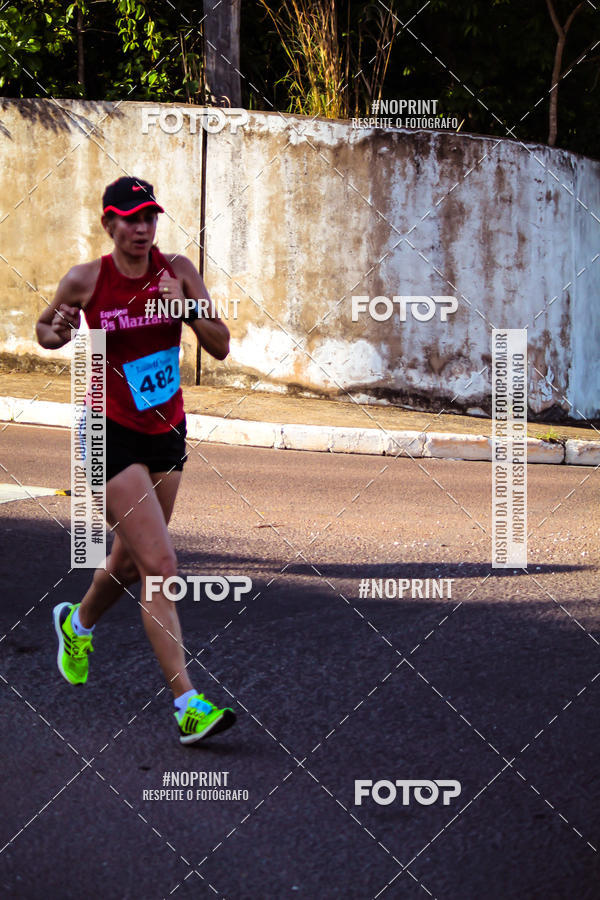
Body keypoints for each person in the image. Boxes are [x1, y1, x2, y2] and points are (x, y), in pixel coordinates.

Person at [36, 176, 236, 744]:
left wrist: (190, 306)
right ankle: (188, 705)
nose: (143, 227)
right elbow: (46, 330)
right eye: (131, 218)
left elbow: (220, 344)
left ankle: (77, 624)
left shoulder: (177, 270)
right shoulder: (86, 279)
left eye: (150, 216)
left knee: (129, 563)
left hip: (166, 433)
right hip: (108, 433)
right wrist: (58, 330)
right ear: (110, 224)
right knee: (162, 567)